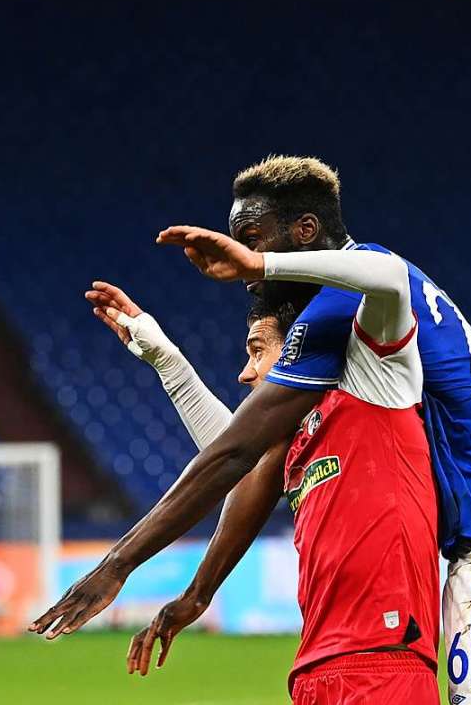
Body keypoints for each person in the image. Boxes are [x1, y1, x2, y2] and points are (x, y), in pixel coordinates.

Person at [32, 156, 471, 705]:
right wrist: (168, 362)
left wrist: (260, 265)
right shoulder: (340, 358)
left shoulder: (356, 297)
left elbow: (238, 451)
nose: (241, 253)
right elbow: (257, 460)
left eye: (252, 236)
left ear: (307, 231)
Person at [74, 243, 440, 703]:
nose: (246, 373)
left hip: (384, 660)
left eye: (257, 350)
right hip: (315, 667)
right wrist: (166, 360)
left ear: (298, 346)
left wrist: (262, 265)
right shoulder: (299, 439)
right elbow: (234, 454)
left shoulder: (372, 397)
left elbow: (389, 277)